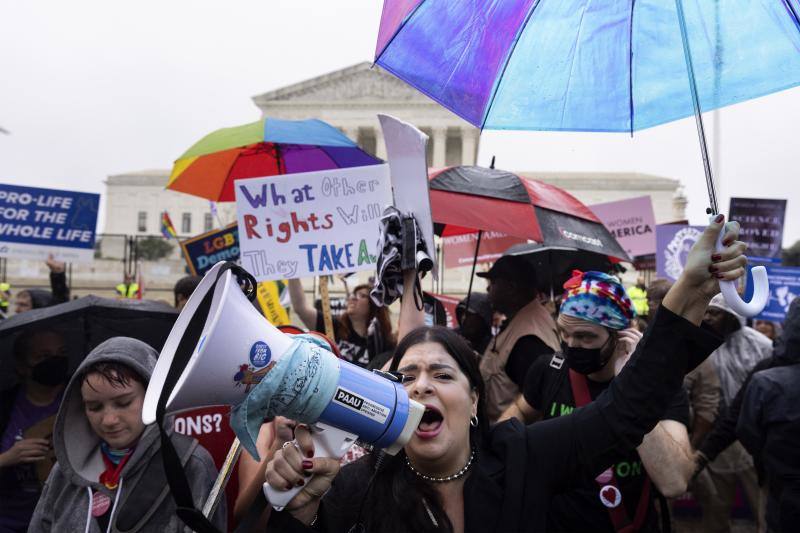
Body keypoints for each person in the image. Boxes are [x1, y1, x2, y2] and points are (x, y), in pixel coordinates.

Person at [261, 217, 743, 533]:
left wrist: (690, 291)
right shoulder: (353, 488)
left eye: (442, 375)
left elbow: (623, 413)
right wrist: (297, 513)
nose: (422, 385)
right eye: (406, 377)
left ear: (475, 401)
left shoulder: (523, 457)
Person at [499, 270, 694, 532]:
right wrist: (500, 452)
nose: (571, 345)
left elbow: (674, 482)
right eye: (564, 334)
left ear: (621, 335)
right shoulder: (549, 370)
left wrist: (633, 384)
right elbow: (520, 412)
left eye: (585, 337)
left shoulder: (660, 384)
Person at [28, 337, 225, 532]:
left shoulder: (191, 465)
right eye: (94, 407)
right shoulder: (65, 472)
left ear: (153, 394)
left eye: (123, 403)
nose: (109, 420)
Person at [696, 298, 800, 533]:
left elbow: (747, 426)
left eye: (716, 312)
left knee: (761, 507)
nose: (709, 318)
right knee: (718, 504)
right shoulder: (700, 346)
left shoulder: (761, 348)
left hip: (761, 450)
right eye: (707, 312)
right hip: (723, 434)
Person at [477, 255, 561, 421]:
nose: (488, 290)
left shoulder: (529, 338)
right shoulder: (520, 320)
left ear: (510, 287)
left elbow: (534, 400)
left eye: (493, 283)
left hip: (511, 440)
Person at [0, 330, 68, 531]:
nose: (55, 361)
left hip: (61, 520)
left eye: (61, 353)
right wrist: (10, 457)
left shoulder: (81, 399)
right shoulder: (5, 407)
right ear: (22, 367)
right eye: (44, 356)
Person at [288, 278, 394, 367]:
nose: (352, 298)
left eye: (362, 296)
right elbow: (301, 308)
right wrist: (293, 273)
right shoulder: (333, 325)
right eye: (353, 294)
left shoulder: (383, 342)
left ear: (374, 305)